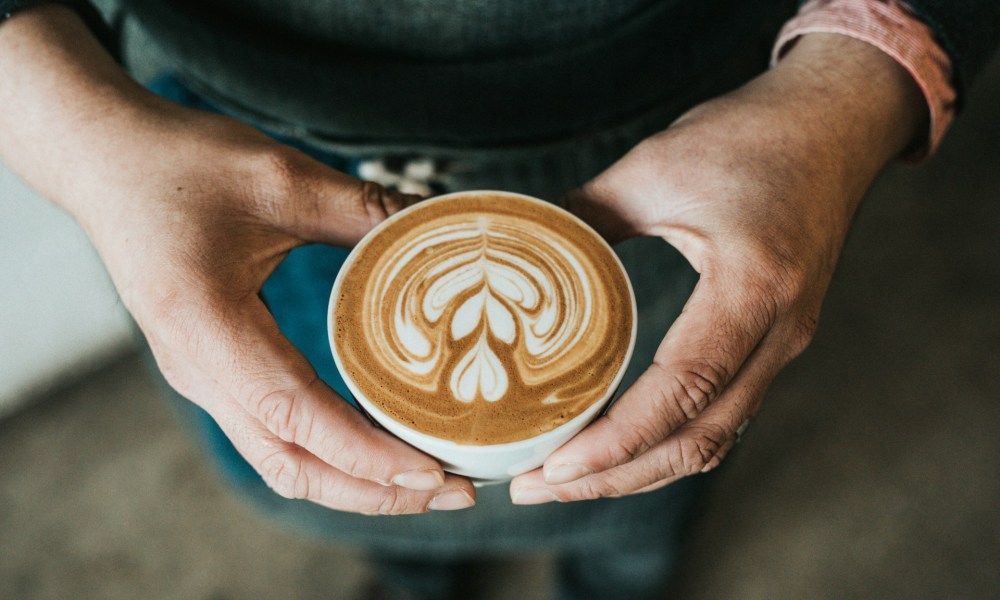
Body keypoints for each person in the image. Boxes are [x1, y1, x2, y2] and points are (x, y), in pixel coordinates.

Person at [1, 1, 997, 598]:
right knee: (328, 461)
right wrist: (66, 126)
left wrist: (862, 72)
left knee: (652, 458)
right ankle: (416, 577)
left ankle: (620, 583)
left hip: (680, 137)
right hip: (215, 149)